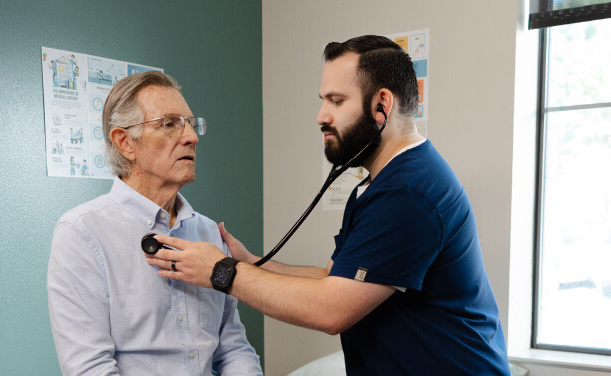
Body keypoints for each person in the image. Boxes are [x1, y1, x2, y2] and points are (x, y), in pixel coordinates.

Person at [145, 35, 511, 375]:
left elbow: (330, 309)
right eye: (323, 100)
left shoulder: (409, 192)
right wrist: (250, 262)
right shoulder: (374, 185)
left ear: (381, 104)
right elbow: (333, 278)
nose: (322, 115)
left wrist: (221, 272)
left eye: (336, 101)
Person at [47, 71, 262, 376]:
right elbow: (90, 368)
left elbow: (233, 348)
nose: (191, 137)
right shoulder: (81, 233)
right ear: (125, 143)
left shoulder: (209, 233)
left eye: (190, 123)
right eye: (169, 124)